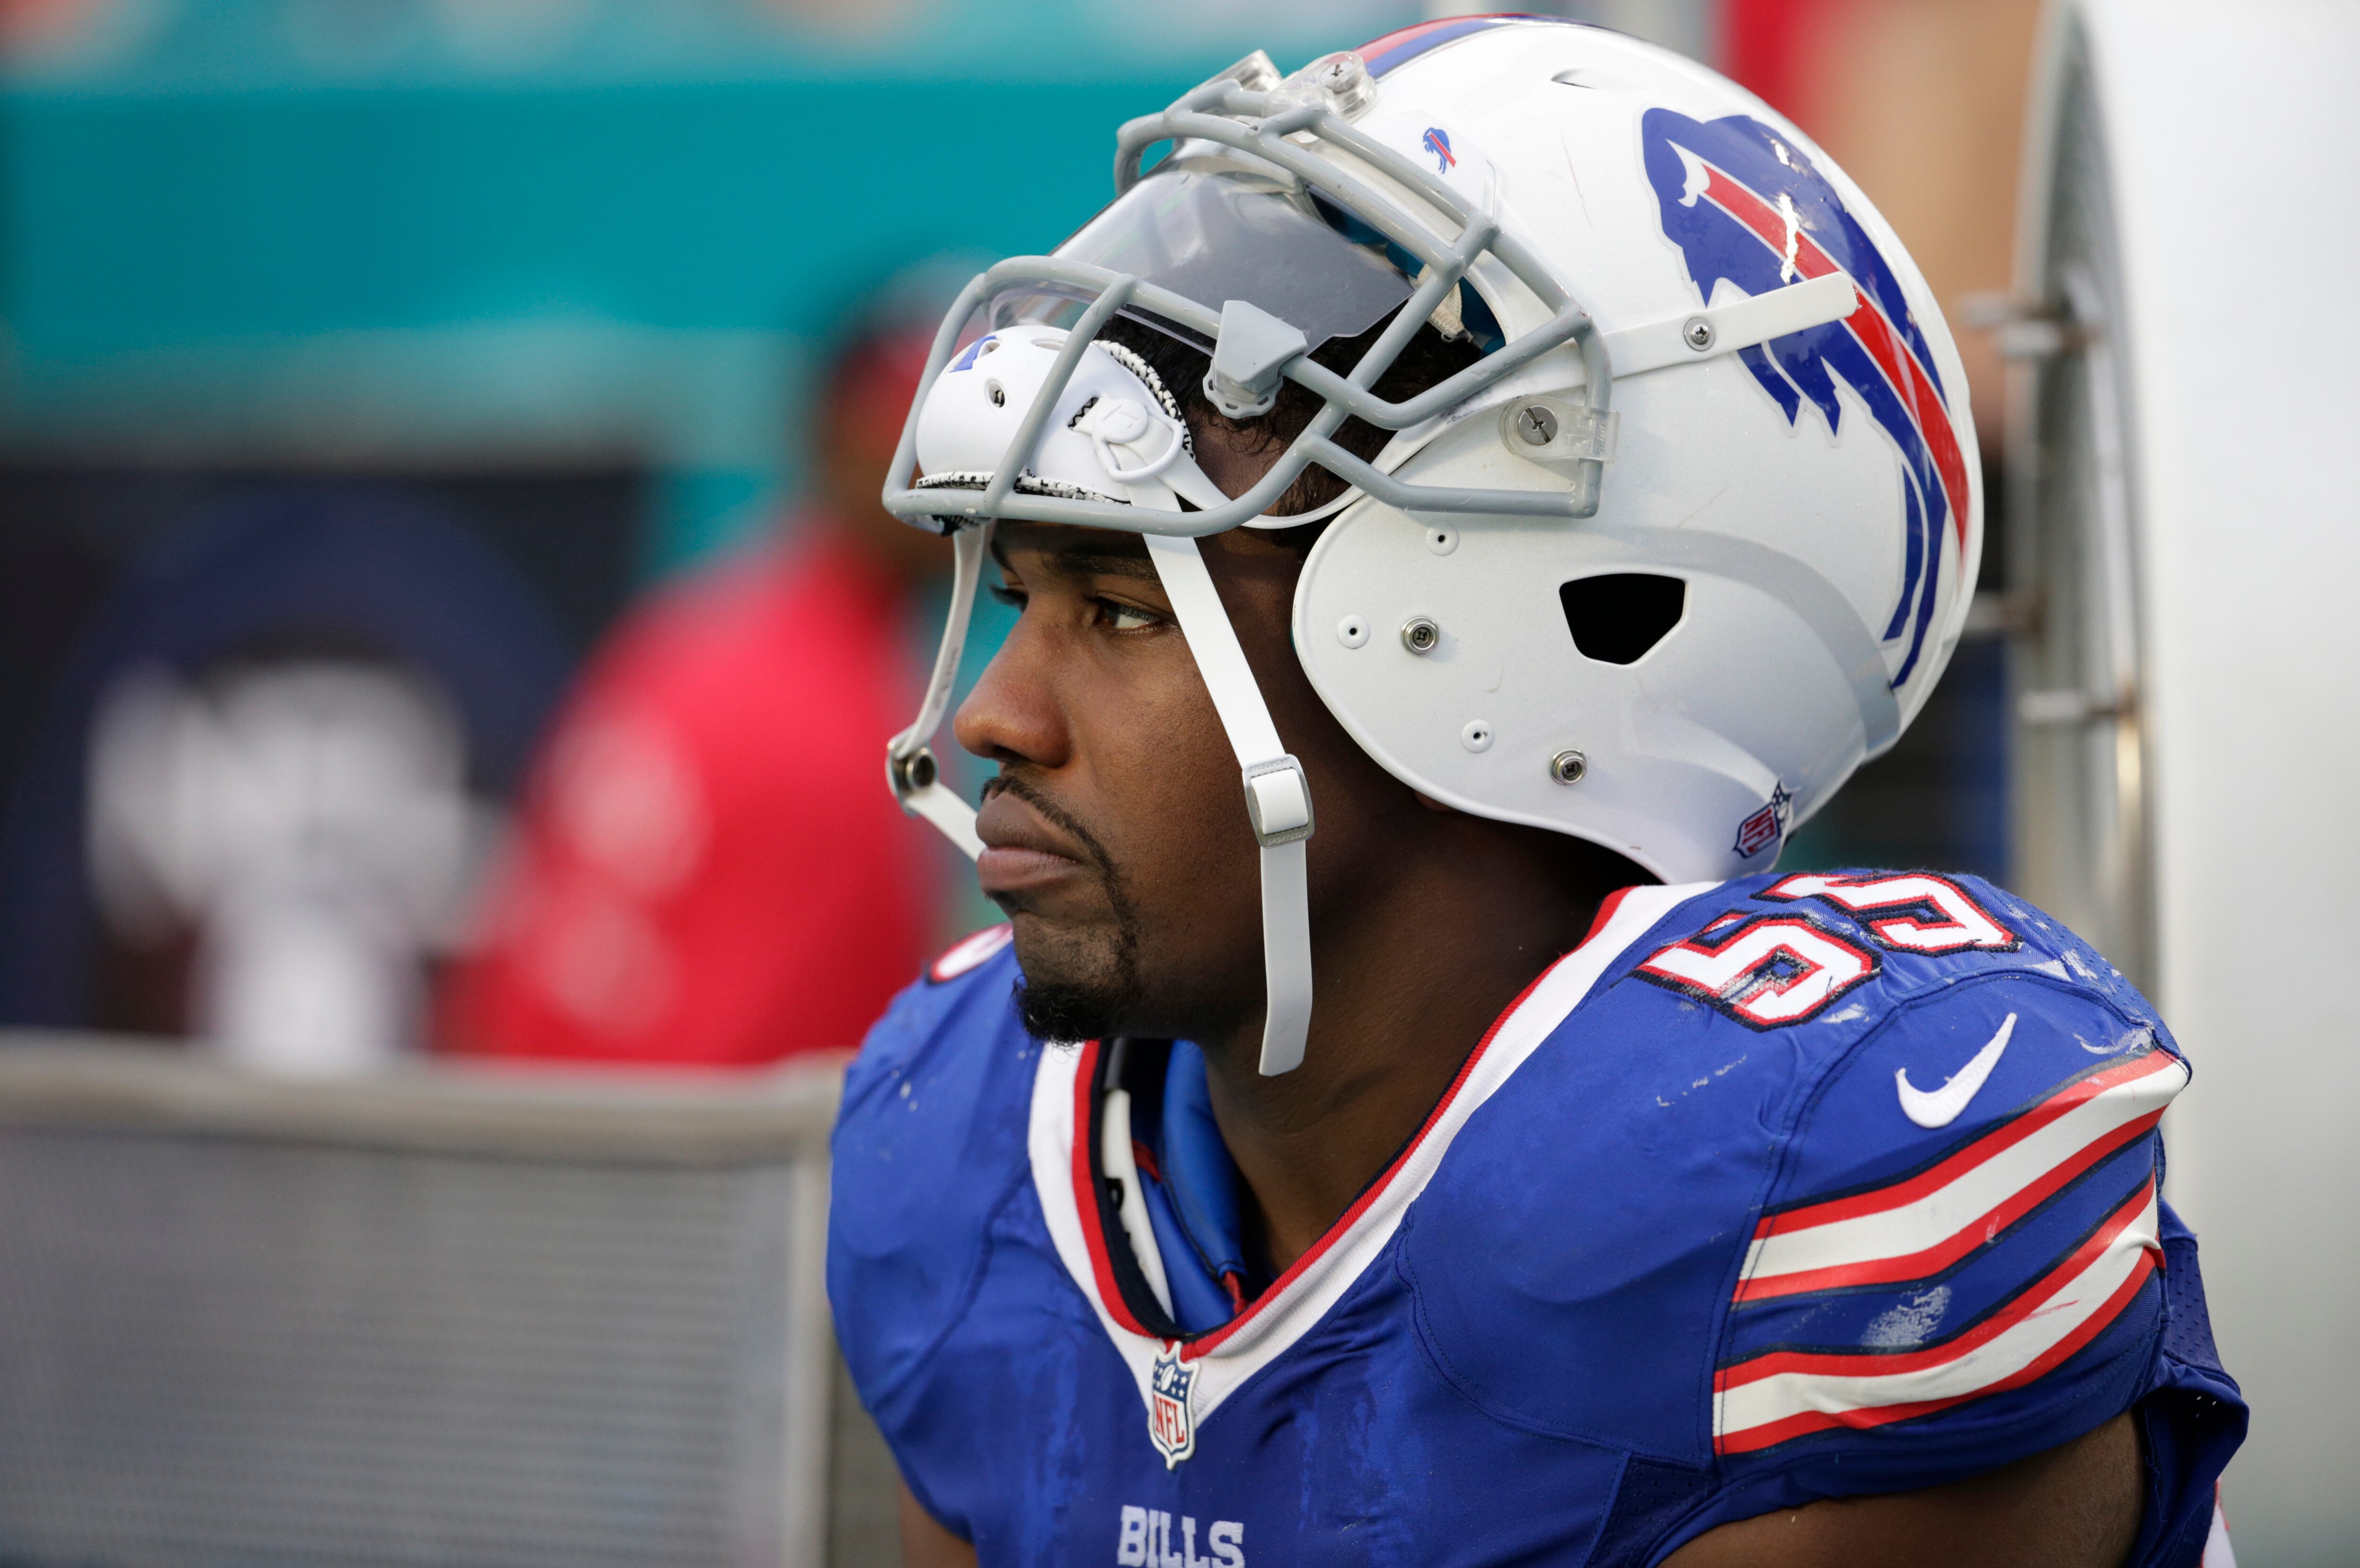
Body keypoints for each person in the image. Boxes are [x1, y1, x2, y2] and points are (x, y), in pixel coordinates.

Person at [828, 19, 2243, 1567]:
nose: (995, 716)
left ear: (1518, 630)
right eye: (1019, 597)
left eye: (1120, 609)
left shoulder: (1791, 1190)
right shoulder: (971, 1142)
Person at [439, 322, 947, 1066]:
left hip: (535, 1106)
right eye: (929, 441)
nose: (960, 480)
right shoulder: (830, 720)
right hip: (641, 1122)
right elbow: (761, 1066)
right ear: (835, 440)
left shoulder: (696, 631)